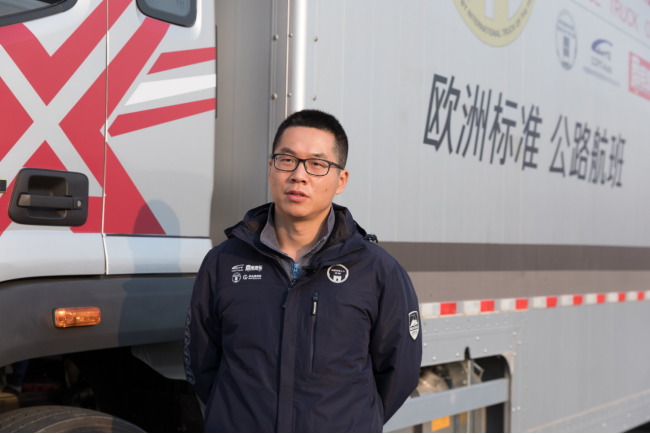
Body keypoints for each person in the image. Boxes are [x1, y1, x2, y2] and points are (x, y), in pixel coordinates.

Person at [185, 109, 422, 433]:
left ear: (341, 180)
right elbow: (201, 364)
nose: (299, 175)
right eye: (287, 160)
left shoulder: (378, 271)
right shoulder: (223, 263)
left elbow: (399, 373)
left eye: (317, 164)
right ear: (270, 168)